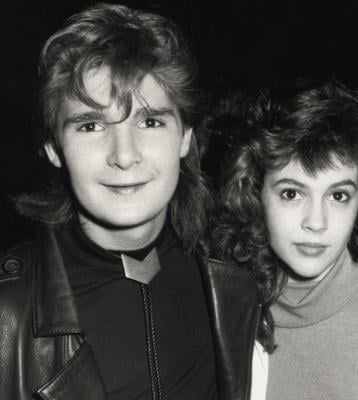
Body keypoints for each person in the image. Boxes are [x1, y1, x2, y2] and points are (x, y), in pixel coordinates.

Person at [0, 3, 259, 400]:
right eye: (91, 125)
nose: (124, 155)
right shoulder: (8, 311)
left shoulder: (234, 275)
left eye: (150, 121)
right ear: (54, 148)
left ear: (185, 136)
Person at [212, 81, 358, 400]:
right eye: (292, 193)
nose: (316, 222)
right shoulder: (220, 313)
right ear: (255, 194)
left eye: (338, 195)